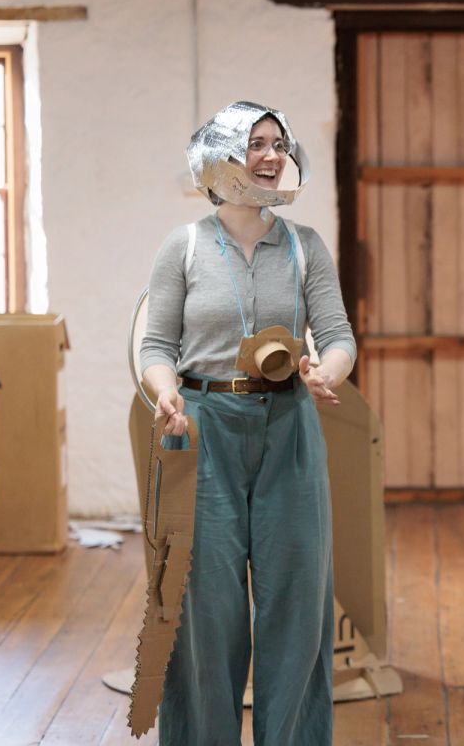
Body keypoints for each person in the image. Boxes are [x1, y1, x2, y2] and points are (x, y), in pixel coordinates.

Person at [139, 101, 356, 745]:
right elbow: (156, 346)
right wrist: (164, 392)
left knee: (296, 599)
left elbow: (338, 335)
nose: (270, 156)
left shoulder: (305, 245)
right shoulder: (182, 247)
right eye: (255, 143)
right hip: (201, 426)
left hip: (289, 424)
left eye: (278, 145)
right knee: (205, 605)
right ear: (221, 158)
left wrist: (329, 373)